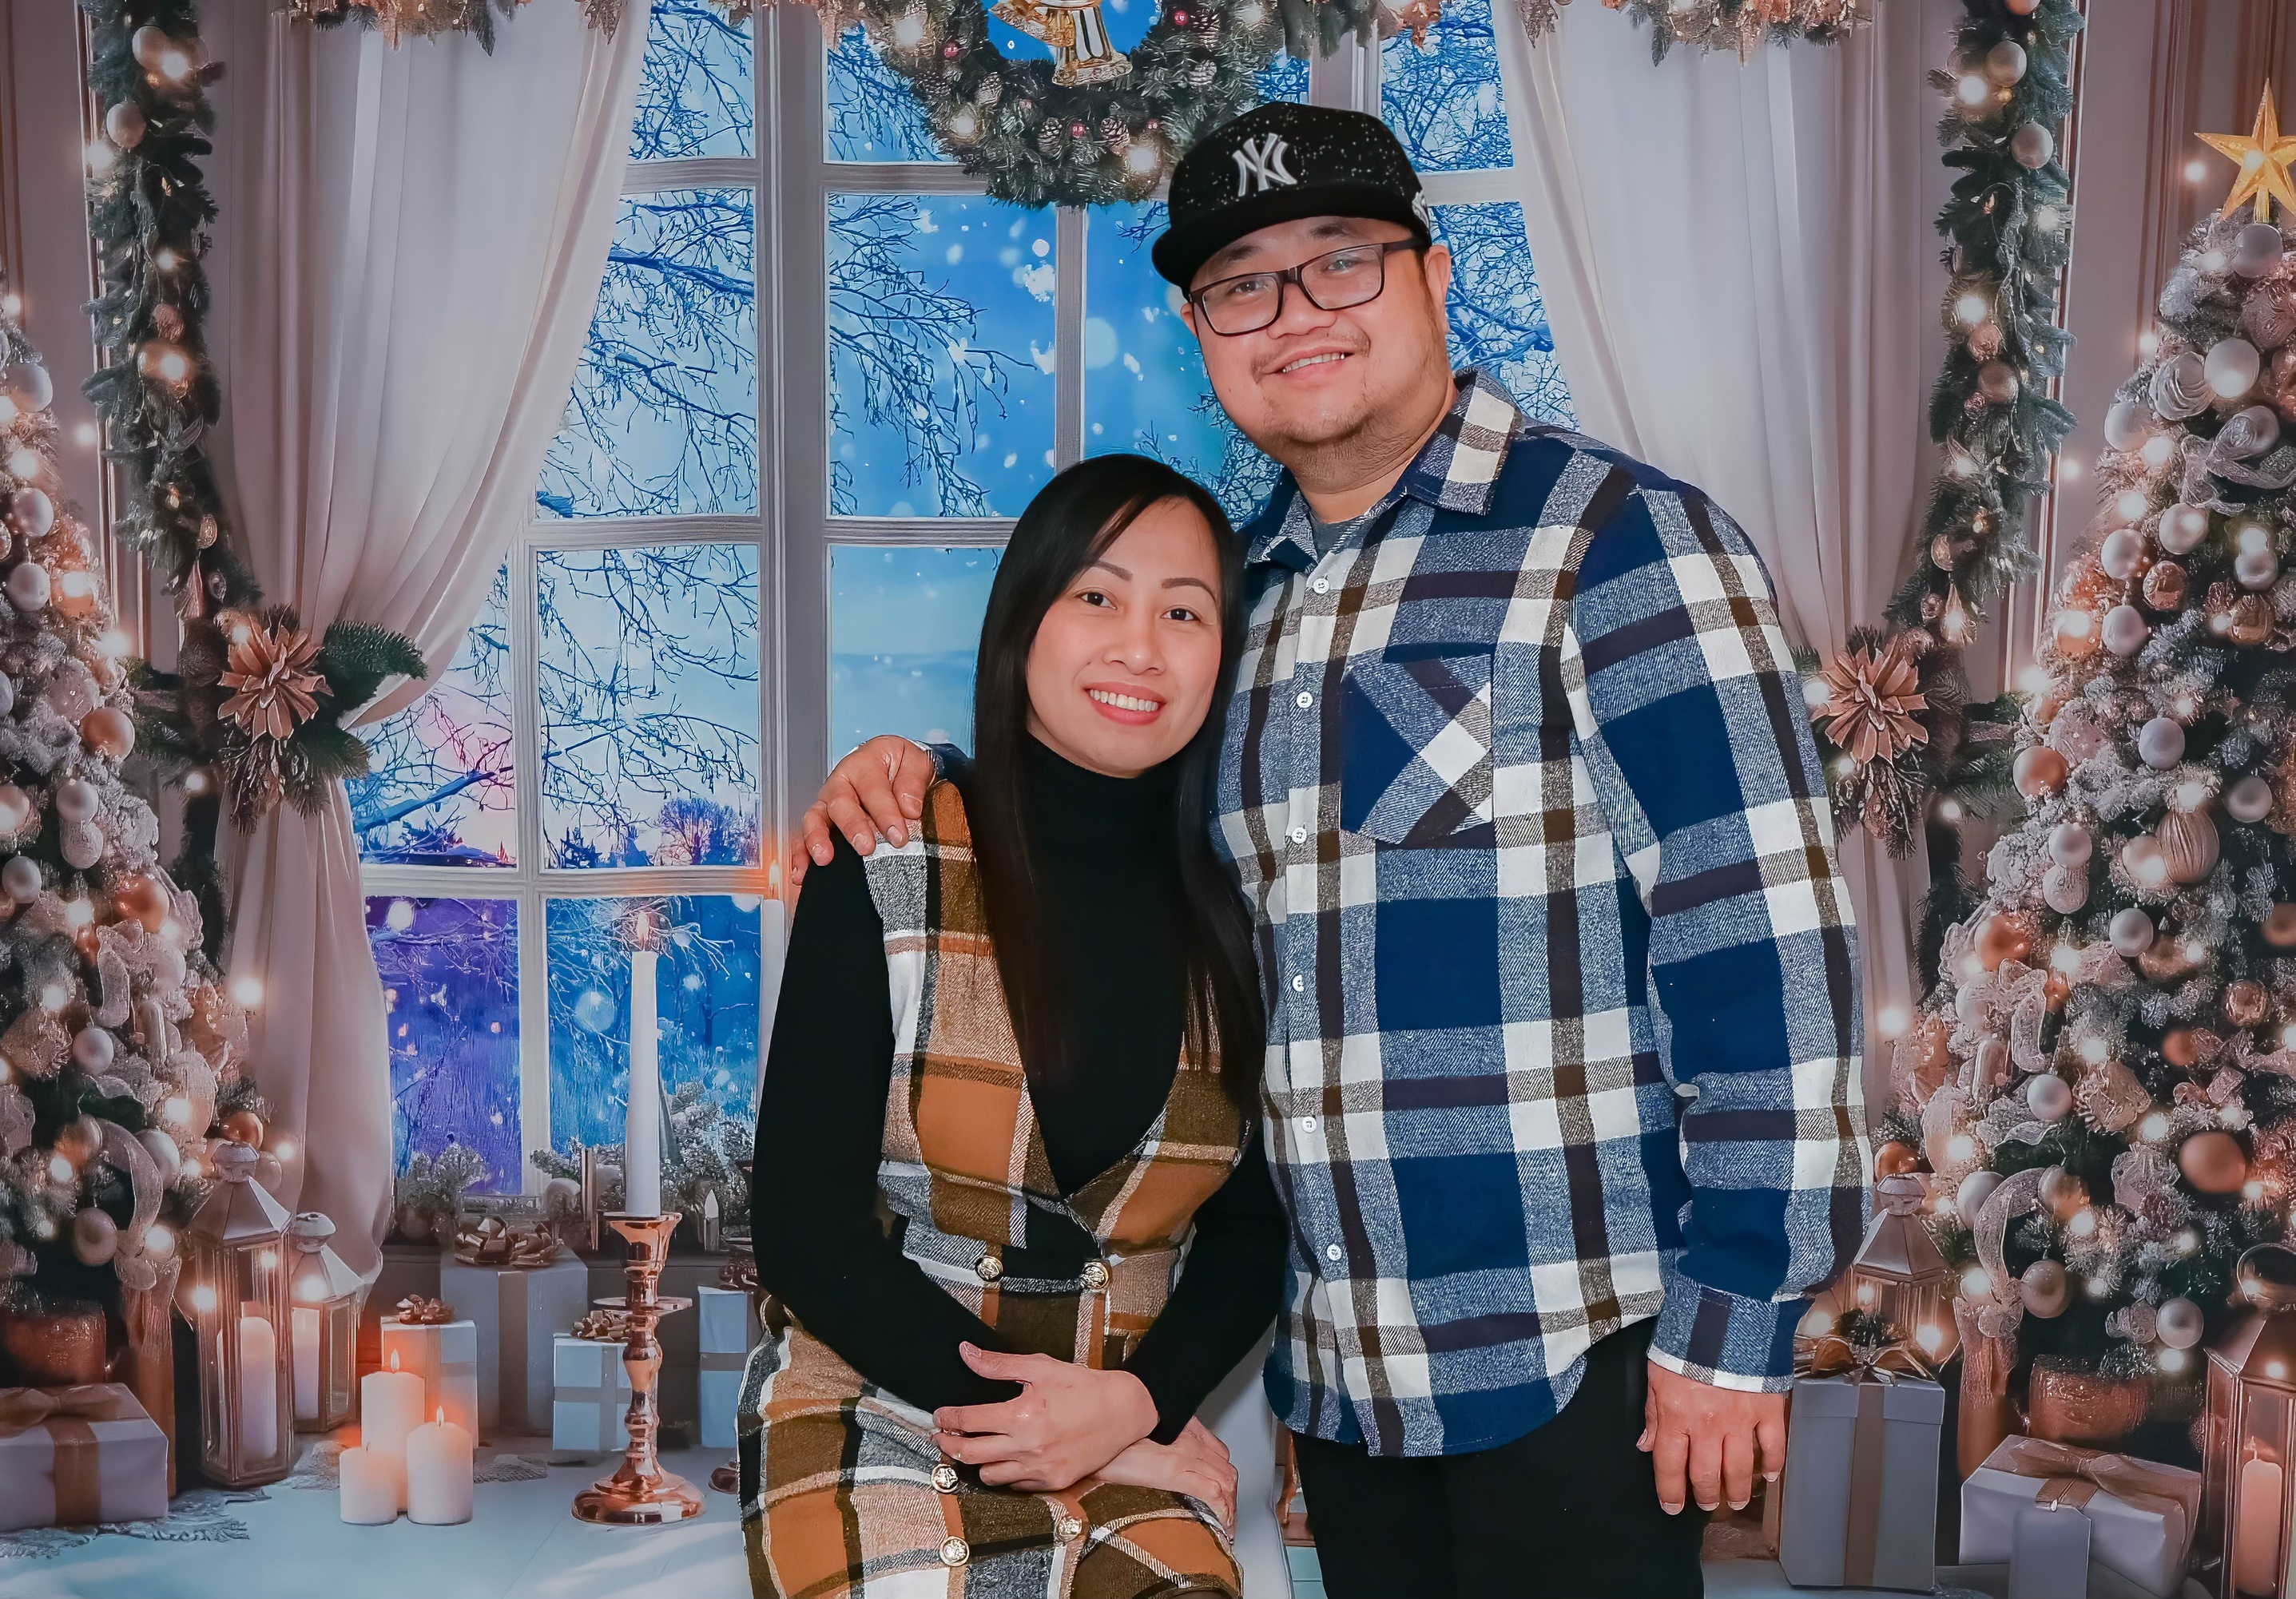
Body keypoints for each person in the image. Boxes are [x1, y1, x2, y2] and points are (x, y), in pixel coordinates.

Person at [793, 104, 1869, 1598]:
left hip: (1580, 1356)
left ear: (1432, 274)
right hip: (1349, 1385)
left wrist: (1736, 1320)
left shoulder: (1618, 544)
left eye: (1340, 261)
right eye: (1242, 285)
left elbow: (1760, 945)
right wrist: (919, 777)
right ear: (1201, 333)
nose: (1294, 312)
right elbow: (1102, 792)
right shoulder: (1240, 600)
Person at [742, 453, 1287, 1599]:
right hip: (878, 1408)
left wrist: (1128, 1412)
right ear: (1022, 622)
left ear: (1223, 656)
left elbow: (1254, 1235)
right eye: (1096, 595)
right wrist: (1048, 1421)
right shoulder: (888, 853)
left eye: (1182, 612)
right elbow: (803, 1229)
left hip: (1123, 1422)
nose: (1139, 647)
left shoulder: (1250, 907)